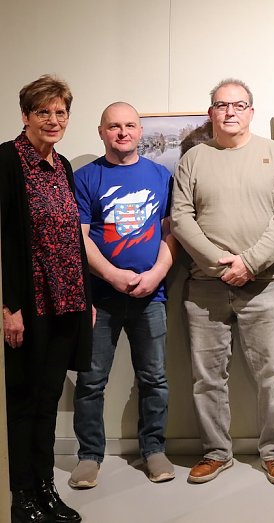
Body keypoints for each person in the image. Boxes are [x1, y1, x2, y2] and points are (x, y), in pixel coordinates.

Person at [171, 78, 274, 486]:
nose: (230, 111)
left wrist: (250, 263)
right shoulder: (193, 159)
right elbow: (181, 218)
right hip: (205, 287)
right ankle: (215, 452)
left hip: (266, 284)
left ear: (250, 111)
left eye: (238, 104)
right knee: (207, 376)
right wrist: (216, 263)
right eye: (221, 104)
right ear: (211, 112)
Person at [69, 102, 178, 488]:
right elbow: (79, 238)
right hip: (100, 296)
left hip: (152, 295)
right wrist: (113, 275)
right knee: (91, 379)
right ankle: (89, 455)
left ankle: (154, 450)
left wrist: (157, 274)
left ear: (140, 131)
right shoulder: (84, 177)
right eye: (113, 126)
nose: (122, 132)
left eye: (129, 125)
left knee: (154, 378)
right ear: (101, 131)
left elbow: (170, 233)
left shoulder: (161, 176)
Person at [1, 75, 92, 523]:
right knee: (23, 400)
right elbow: (3, 241)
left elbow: (71, 237)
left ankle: (46, 490)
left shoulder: (62, 166)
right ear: (25, 116)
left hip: (66, 302)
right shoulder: (6, 161)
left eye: (60, 112)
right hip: (28, 305)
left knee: (49, 397)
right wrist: (8, 306)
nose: (53, 120)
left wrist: (85, 296)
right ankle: (22, 497)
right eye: (43, 112)